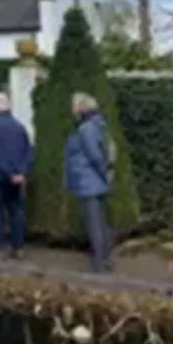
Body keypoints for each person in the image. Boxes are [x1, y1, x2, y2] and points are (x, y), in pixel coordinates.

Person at [64, 91, 114, 273]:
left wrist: (102, 175)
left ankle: (99, 263)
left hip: (89, 181)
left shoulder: (86, 129)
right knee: (101, 222)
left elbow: (94, 155)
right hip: (97, 181)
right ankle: (105, 259)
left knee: (95, 224)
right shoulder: (99, 124)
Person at [0, 91, 32, 258]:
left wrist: (8, 172)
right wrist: (21, 172)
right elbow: (28, 150)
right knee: (15, 211)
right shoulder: (19, 125)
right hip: (16, 176)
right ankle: (18, 247)